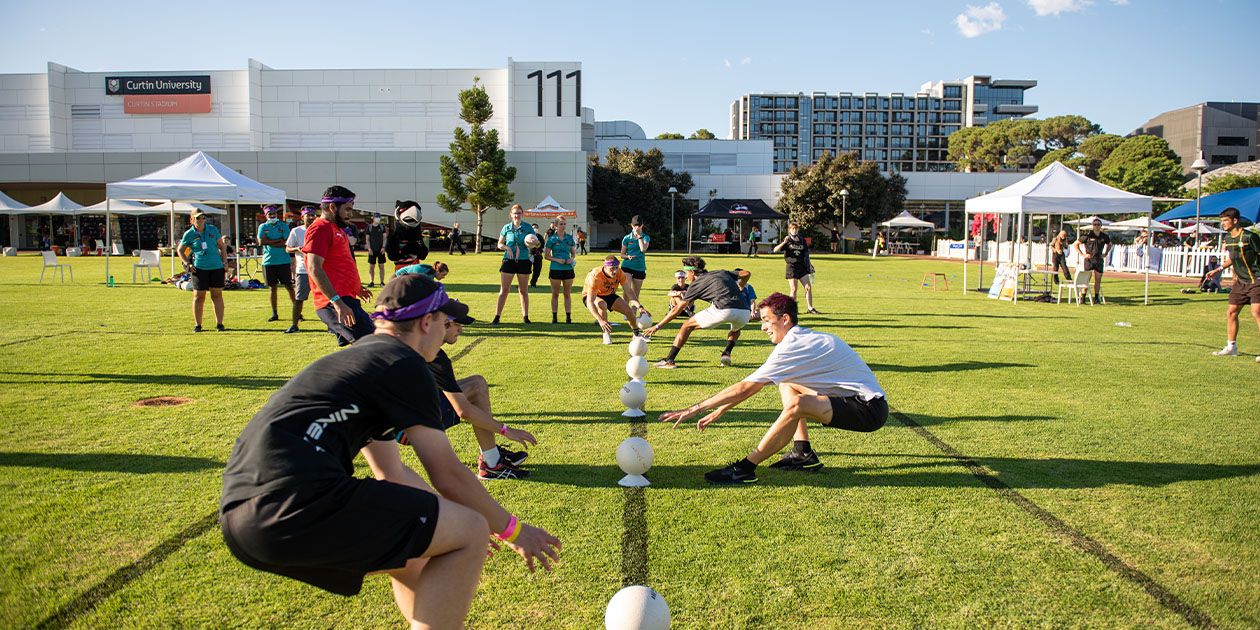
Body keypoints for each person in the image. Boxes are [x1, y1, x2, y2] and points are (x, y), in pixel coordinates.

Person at [220, 274, 561, 628]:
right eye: (445, 322)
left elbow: (392, 472)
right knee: (472, 528)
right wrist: (512, 531)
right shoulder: (403, 363)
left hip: (243, 516)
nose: (446, 331)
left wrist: (448, 520)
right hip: (297, 502)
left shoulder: (363, 359)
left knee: (411, 556)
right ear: (426, 322)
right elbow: (447, 475)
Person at [659, 292, 888, 484]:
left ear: (785, 319)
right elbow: (753, 386)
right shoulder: (799, 338)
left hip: (868, 410)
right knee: (787, 382)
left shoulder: (794, 345)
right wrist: (722, 409)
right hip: (854, 401)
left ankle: (745, 468)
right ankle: (802, 454)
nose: (762, 327)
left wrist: (696, 408)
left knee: (798, 404)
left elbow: (746, 387)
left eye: (767, 320)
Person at [420, 299, 539, 479]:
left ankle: (492, 458)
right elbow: (464, 411)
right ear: (443, 323)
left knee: (477, 383)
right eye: (457, 324)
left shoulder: (416, 341)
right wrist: (506, 430)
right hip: (411, 425)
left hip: (396, 419)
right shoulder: (434, 355)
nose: (461, 329)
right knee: (476, 387)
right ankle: (491, 463)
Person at [644, 256, 751, 369]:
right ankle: (726, 353)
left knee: (686, 326)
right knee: (736, 330)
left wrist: (657, 326)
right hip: (744, 312)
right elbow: (746, 273)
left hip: (724, 309)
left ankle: (669, 360)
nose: (686, 276)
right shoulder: (721, 272)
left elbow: (677, 309)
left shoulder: (695, 284)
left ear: (692, 272)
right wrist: (741, 286)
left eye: (686, 273)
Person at [303, 186, 374, 347]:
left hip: (345, 299)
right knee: (374, 346)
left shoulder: (336, 228)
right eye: (347, 209)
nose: (350, 214)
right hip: (335, 303)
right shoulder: (319, 228)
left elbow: (337, 265)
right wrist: (337, 303)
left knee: (365, 349)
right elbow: (314, 268)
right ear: (332, 207)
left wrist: (356, 288)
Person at [1204, 207, 1260, 362]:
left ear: (1235, 221)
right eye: (1221, 221)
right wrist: (1218, 269)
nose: (1222, 224)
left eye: (1225, 221)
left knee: (1257, 313)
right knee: (1231, 312)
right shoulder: (1228, 239)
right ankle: (1231, 347)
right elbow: (1233, 258)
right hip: (1241, 282)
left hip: (1257, 280)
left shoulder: (1250, 237)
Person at [179, 210, 229, 332]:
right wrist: (187, 263)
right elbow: (180, 250)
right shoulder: (188, 234)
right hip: (199, 268)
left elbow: (222, 247)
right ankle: (198, 325)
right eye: (197, 218)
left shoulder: (212, 229)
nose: (201, 220)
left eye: (203, 218)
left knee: (216, 295)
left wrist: (225, 262)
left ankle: (220, 324)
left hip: (216, 267)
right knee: (198, 297)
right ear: (191, 220)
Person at [582, 255, 646, 345]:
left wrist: (639, 307)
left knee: (629, 311)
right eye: (612, 268)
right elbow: (590, 302)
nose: (615, 271)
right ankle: (606, 334)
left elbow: (629, 291)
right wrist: (601, 321)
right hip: (592, 296)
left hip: (609, 294)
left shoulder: (620, 273)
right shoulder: (595, 276)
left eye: (616, 267)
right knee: (602, 304)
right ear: (605, 267)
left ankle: (636, 334)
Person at [493, 204, 536, 324]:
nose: (517, 215)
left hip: (523, 261)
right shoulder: (506, 228)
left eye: (519, 213)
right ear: (511, 215)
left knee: (523, 290)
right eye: (515, 213)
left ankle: (526, 317)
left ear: (522, 214)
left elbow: (535, 243)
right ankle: (497, 317)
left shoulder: (527, 227)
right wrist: (506, 247)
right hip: (508, 261)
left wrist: (533, 242)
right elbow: (499, 244)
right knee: (504, 290)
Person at [257, 205, 296, 324]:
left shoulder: (283, 226)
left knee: (289, 286)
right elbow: (261, 242)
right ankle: (274, 313)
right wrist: (277, 241)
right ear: (266, 215)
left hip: (283, 261)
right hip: (269, 262)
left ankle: (297, 310)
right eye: (270, 214)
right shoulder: (263, 226)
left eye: (274, 214)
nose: (272, 216)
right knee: (272, 288)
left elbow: (286, 243)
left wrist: (270, 242)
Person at [282, 207, 317, 334]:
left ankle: (331, 325)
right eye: (308, 215)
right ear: (302, 217)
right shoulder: (296, 231)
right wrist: (298, 248)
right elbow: (288, 248)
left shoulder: (320, 229)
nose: (311, 217)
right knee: (299, 298)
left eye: (313, 215)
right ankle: (294, 324)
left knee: (326, 298)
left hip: (319, 269)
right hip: (303, 269)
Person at [773, 222, 819, 314]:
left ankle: (810, 308)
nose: (795, 230)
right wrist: (784, 242)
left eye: (796, 229)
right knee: (794, 289)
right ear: (789, 230)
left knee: (808, 287)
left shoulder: (802, 240)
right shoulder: (788, 240)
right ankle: (791, 310)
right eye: (793, 229)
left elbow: (806, 254)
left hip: (802, 266)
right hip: (792, 267)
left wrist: (809, 265)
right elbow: (775, 250)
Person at [545, 219, 578, 323]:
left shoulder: (569, 238)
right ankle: (554, 317)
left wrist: (572, 259)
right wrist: (557, 259)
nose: (563, 226)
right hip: (555, 269)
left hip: (568, 269)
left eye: (564, 224)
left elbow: (573, 253)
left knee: (567, 293)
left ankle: (568, 317)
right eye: (561, 224)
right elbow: (546, 256)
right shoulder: (551, 239)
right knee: (555, 294)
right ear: (555, 225)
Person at [1074, 219, 1112, 304]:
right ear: (1092, 226)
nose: (1096, 226)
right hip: (1089, 260)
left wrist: (1105, 253)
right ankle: (1083, 297)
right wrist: (1083, 254)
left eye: (1098, 224)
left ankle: (1096, 298)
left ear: (1101, 226)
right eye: (1095, 224)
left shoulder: (1104, 236)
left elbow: (1110, 244)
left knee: (1098, 279)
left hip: (1099, 259)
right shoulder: (1087, 235)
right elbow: (1075, 244)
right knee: (1086, 279)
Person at [385, 200, 428, 272]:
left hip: (415, 270)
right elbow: (392, 255)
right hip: (401, 271)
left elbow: (423, 255)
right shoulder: (395, 237)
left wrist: (415, 248)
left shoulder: (417, 237)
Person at [620, 216, 651, 299]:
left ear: (642, 225)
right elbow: (622, 255)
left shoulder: (645, 237)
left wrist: (639, 237)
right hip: (627, 267)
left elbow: (643, 249)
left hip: (639, 268)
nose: (636, 227)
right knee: (627, 292)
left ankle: (633, 312)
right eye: (634, 225)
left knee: (635, 295)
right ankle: (625, 311)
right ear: (631, 225)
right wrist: (627, 256)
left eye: (638, 225)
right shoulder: (626, 238)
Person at [366, 216, 388, 287]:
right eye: (376, 217)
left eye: (379, 217)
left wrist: (383, 247)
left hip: (380, 249)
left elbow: (385, 238)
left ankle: (382, 282)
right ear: (373, 218)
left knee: (381, 266)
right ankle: (371, 282)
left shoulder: (382, 227)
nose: (378, 218)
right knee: (371, 266)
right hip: (372, 249)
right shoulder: (369, 227)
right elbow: (367, 239)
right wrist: (369, 248)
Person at [529, 223, 545, 288]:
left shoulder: (540, 237)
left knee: (537, 271)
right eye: (533, 227)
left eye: (536, 228)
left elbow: (542, 245)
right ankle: (522, 283)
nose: (535, 229)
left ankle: (533, 283)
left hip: (538, 255)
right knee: (525, 271)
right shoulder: (528, 236)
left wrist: (538, 248)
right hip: (529, 256)